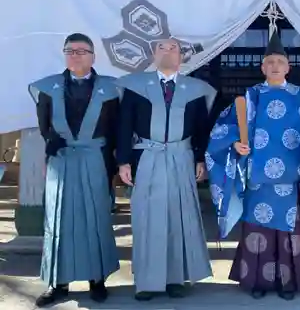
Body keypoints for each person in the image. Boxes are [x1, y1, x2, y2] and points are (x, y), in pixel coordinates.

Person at [205, 32, 300, 301]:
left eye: (280, 61)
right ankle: (257, 280)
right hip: (256, 176)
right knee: (257, 228)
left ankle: (289, 281)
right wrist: (235, 144)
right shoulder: (249, 97)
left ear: (288, 67)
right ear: (262, 67)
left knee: (289, 229)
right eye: (270, 62)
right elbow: (224, 129)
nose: (276, 66)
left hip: (289, 177)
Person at [116, 37, 217, 301]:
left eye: (174, 48)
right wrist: (124, 160)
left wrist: (200, 158)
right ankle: (147, 281)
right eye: (162, 47)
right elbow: (124, 124)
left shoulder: (195, 89)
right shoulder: (136, 85)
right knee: (147, 218)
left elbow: (201, 128)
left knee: (178, 217)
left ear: (182, 56)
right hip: (146, 157)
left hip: (181, 157)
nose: (169, 51)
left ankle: (175, 279)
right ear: (153, 53)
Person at [28, 33, 120, 307]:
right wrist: (51, 148)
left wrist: (113, 164)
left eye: (82, 50)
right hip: (63, 159)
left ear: (93, 56)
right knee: (59, 220)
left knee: (96, 217)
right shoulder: (48, 88)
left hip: (95, 157)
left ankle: (97, 279)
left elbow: (115, 128)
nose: (76, 54)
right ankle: (58, 283)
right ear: (64, 54)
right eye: (70, 50)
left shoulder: (111, 89)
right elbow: (44, 125)